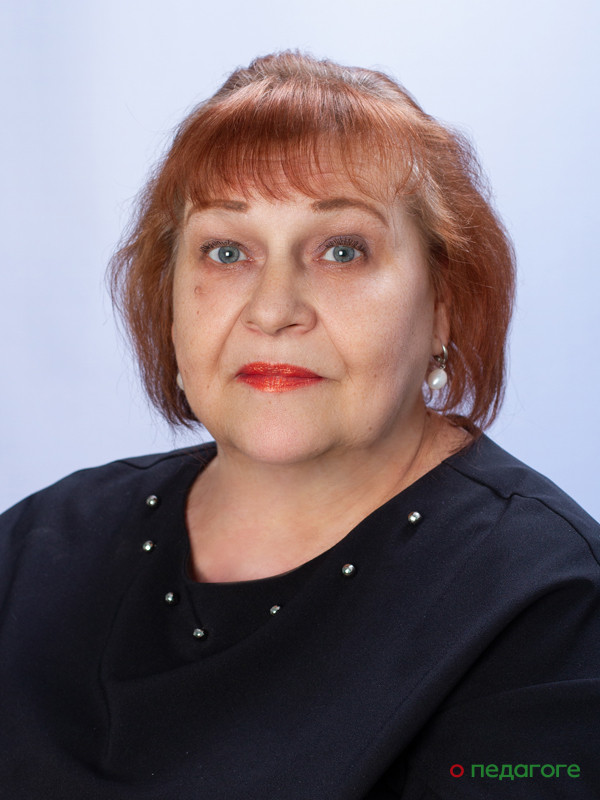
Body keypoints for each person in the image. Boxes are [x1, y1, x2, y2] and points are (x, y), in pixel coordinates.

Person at [1, 51, 599, 800]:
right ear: (169, 299)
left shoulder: (549, 607)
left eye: (342, 251)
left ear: (443, 304)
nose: (273, 309)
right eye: (226, 252)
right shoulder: (33, 549)